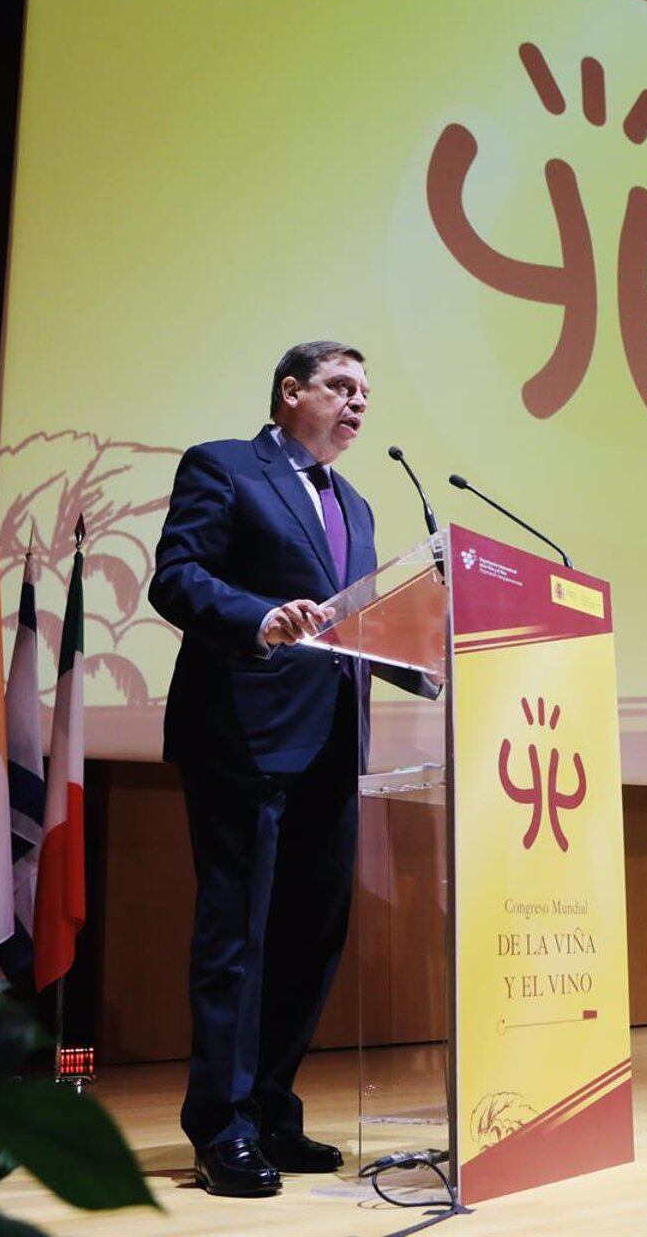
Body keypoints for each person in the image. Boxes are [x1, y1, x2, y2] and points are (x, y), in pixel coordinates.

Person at [149, 340, 434, 1198]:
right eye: (342, 387)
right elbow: (176, 578)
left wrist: (423, 661)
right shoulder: (226, 468)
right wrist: (261, 615)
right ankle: (222, 1127)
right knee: (238, 936)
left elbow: (355, 623)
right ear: (291, 392)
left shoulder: (357, 502)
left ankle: (272, 1109)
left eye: (366, 393)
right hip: (243, 735)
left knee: (313, 933)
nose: (358, 404)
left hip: (332, 744)